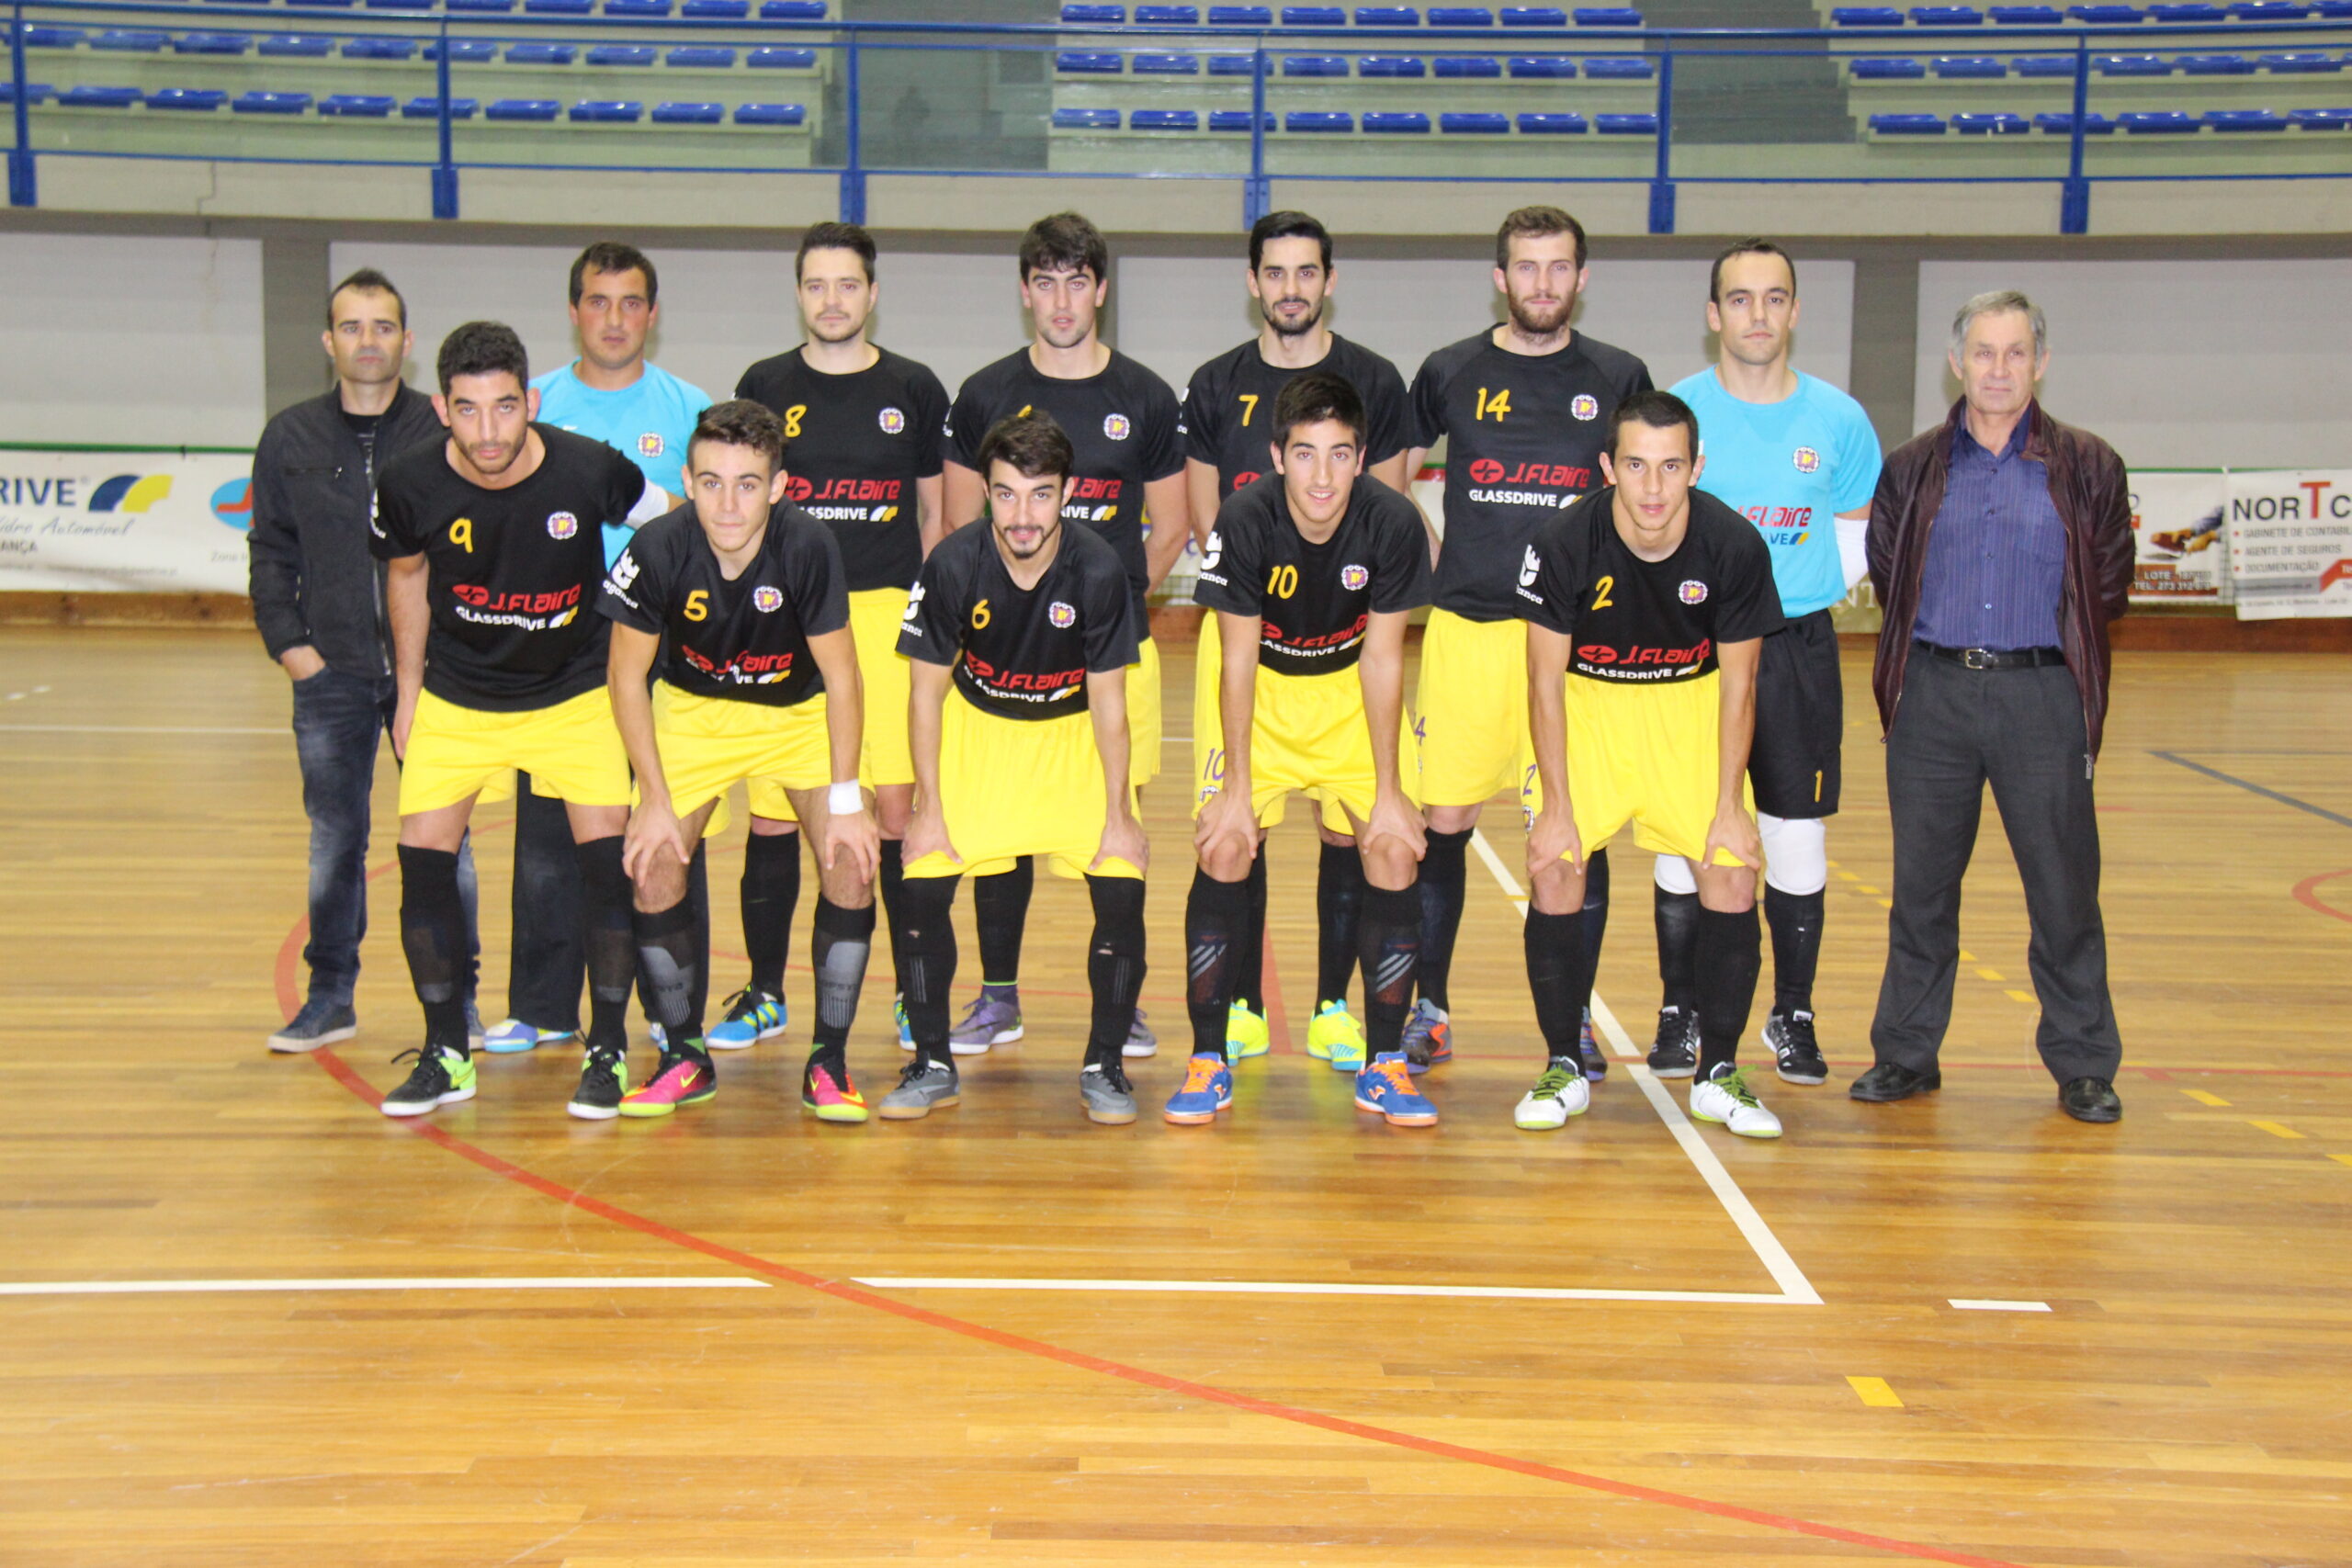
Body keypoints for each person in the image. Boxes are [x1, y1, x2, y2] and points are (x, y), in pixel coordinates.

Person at [369, 321, 658, 1121]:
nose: (488, 432)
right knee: (423, 861)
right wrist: (409, 689)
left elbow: (668, 524)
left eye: (504, 408)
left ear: (529, 400)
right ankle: (446, 1052)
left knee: (608, 870)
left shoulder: (586, 467)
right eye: (468, 410)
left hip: (574, 695)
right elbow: (406, 575)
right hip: (459, 699)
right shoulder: (409, 481)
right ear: (442, 408)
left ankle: (606, 1047)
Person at [1855, 290, 2132, 1125]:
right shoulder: (1910, 467)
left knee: (2063, 889)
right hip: (1933, 694)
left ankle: (2083, 1062)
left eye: (2016, 352)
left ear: (2040, 362)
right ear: (1956, 361)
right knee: (1923, 889)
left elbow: (2110, 580)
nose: (1999, 369)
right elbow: (1885, 565)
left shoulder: (2088, 464)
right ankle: (1906, 1052)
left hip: (2043, 694)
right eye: (1984, 352)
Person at [1402, 205, 1652, 1077]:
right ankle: (1428, 1007)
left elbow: (1642, 498)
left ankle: (1570, 1015)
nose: (1542, 284)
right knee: (1445, 821)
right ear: (1499, 276)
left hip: (1574, 644)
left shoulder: (1619, 376)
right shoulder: (1449, 371)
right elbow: (1391, 480)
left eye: (1558, 268)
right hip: (1468, 632)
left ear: (1581, 278)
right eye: (1526, 267)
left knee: (1570, 831)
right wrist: (1431, 560)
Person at [939, 211, 1188, 1058]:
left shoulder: (1146, 396)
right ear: (1024, 292)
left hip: (1110, 658)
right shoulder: (981, 394)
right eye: (1045, 281)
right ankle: (998, 995)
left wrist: (1104, 608)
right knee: (995, 829)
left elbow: (1172, 524)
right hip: (1000, 663)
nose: (1061, 298)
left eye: (1077, 280)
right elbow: (952, 524)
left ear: (1101, 291)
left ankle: (1126, 1000)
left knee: (1115, 821)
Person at [600, 400, 883, 1122]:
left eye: (748, 483)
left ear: (778, 485)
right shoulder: (658, 547)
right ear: (688, 482)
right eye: (712, 482)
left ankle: (829, 1059)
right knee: (655, 859)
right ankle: (683, 1055)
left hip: (797, 715)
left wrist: (847, 798)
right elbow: (625, 676)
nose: (729, 502)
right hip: (694, 715)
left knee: (851, 859)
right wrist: (655, 799)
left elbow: (844, 677)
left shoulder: (808, 546)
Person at [1179, 209, 1413, 1071]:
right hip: (1250, 629)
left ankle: (1329, 1008)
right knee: (1238, 826)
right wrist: (1254, 574)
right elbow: (1207, 516)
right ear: (1254, 282)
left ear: (1328, 278)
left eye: (1305, 272)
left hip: (1348, 640)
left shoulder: (1376, 381)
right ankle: (1236, 1008)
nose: (1290, 288)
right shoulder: (1213, 383)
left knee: (1357, 832)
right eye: (1274, 272)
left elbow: (1375, 516)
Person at [1517, 391, 1786, 1137]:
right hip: (1588, 712)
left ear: (1696, 467)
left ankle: (1720, 1071)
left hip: (1688, 717)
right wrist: (1559, 804)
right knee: (1558, 863)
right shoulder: (1564, 541)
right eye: (1636, 465)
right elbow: (1543, 682)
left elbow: (1741, 686)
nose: (1654, 487)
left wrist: (1732, 801)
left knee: (1731, 868)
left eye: (1671, 466)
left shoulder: (1734, 546)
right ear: (1608, 467)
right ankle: (1562, 1061)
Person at [1170, 372, 1435, 1128]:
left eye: (1341, 455)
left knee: (1390, 845)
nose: (1323, 476)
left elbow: (1385, 659)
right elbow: (1235, 660)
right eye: (1307, 453)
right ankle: (1208, 1054)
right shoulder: (1244, 521)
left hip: (1351, 692)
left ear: (1361, 458)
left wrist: (1388, 790)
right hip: (1263, 694)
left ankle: (1384, 1064)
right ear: (1278, 456)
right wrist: (1237, 791)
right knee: (1224, 845)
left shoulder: (1392, 524)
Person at [883, 412, 1150, 1126]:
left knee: (1122, 886)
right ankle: (932, 1061)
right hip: (981, 733)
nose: (1022, 514)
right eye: (1005, 494)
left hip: (1070, 738)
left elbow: (1110, 704)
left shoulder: (1098, 569)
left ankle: (1106, 1063)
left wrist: (1121, 814)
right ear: (986, 495)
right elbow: (925, 694)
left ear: (1066, 492)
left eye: (1038, 495)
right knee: (922, 883)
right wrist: (927, 804)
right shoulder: (950, 564)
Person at [486, 242, 715, 1061]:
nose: (613, 318)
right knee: (549, 829)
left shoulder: (692, 407)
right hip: (557, 639)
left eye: (630, 303)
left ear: (653, 314)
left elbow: (717, 530)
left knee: (667, 823)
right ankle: (544, 1005)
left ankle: (669, 1000)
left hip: (664, 642)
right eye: (597, 301)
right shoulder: (530, 403)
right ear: (574, 309)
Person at [1661, 239, 1883, 1087]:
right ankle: (1679, 1010)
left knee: (1794, 836)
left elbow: (1856, 536)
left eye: (1775, 297)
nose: (1758, 314)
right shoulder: (1677, 410)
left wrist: (1788, 596)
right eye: (1741, 299)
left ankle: (1792, 1010)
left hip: (1794, 649)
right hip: (1690, 653)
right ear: (1715, 314)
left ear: (1794, 310)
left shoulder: (1839, 418)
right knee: (1684, 836)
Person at [249, 268, 481, 1053]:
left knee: (449, 844)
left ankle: (463, 1003)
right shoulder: (290, 437)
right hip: (333, 675)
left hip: (438, 673)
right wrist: (293, 648)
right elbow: (271, 551)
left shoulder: (445, 430)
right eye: (352, 327)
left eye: (383, 326)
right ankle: (330, 997)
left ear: (407, 342)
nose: (369, 341)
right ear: (329, 341)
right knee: (335, 839)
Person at [735, 220, 949, 1060]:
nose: (833, 300)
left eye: (848, 285)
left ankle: (905, 992)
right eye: (817, 285)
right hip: (784, 627)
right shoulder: (763, 383)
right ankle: (763, 990)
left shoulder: (914, 386)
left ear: (872, 292)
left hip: (885, 619)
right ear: (798, 292)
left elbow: (935, 516)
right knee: (775, 818)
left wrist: (928, 626)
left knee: (892, 814)